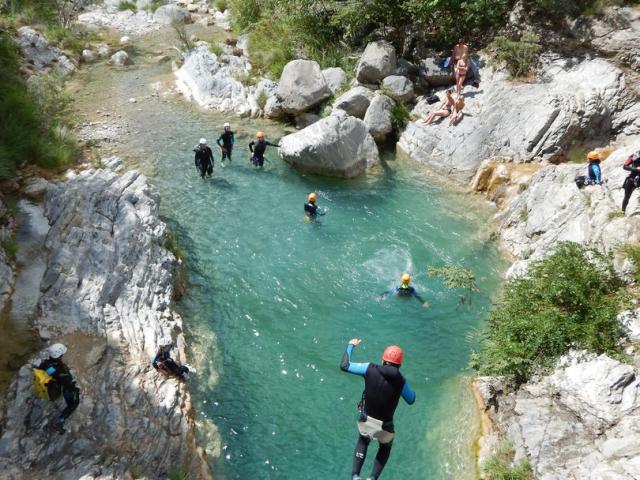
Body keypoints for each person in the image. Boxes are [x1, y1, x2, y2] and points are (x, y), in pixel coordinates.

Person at [340, 339, 416, 480]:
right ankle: (373, 477)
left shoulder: (369, 368)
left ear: (383, 360)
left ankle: (356, 476)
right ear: (400, 364)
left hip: (366, 421)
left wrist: (350, 345)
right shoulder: (401, 381)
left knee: (363, 440)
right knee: (385, 447)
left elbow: (345, 365)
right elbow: (411, 399)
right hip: (385, 427)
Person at [38, 343, 80, 434]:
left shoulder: (47, 363)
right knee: (74, 403)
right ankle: (59, 422)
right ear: (59, 356)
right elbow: (68, 385)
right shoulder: (61, 371)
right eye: (62, 354)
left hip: (55, 381)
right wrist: (76, 390)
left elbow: (41, 368)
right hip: (65, 388)